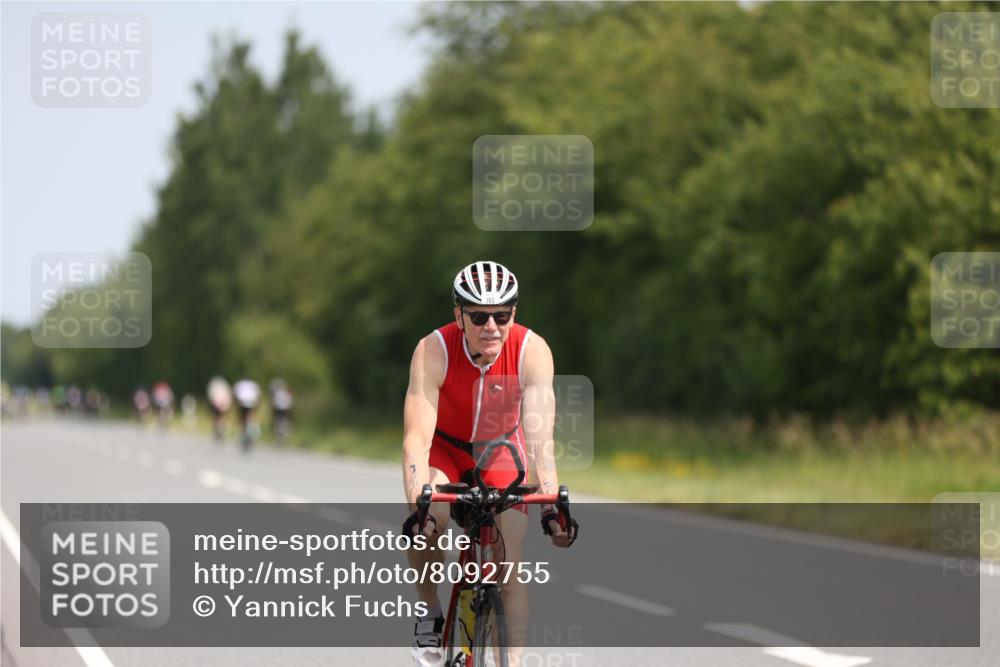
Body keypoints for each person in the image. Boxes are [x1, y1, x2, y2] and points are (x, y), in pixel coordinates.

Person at [402, 261, 573, 666]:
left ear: (514, 313)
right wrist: (417, 500)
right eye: (479, 316)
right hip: (445, 449)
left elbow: (539, 440)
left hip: (500, 453)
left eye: (502, 315)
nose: (492, 326)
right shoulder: (433, 350)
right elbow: (416, 438)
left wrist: (551, 505)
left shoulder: (533, 350)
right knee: (432, 522)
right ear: (458, 315)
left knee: (508, 562)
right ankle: (429, 608)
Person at [232, 378, 261, 453]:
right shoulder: (254, 384)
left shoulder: (240, 384)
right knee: (250, 416)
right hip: (251, 402)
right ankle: (252, 433)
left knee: (242, 418)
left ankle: (244, 433)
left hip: (242, 402)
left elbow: (235, 395)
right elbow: (258, 396)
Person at [206, 376, 233, 441]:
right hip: (224, 403)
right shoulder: (224, 386)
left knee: (216, 417)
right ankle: (223, 429)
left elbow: (211, 395)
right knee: (222, 417)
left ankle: (218, 430)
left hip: (217, 403)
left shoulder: (215, 385)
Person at [268, 378, 294, 445]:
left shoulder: (277, 393)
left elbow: (273, 403)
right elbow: (290, 402)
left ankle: (278, 433)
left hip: (279, 409)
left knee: (276, 420)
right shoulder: (287, 392)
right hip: (286, 409)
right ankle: (286, 432)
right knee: (286, 420)